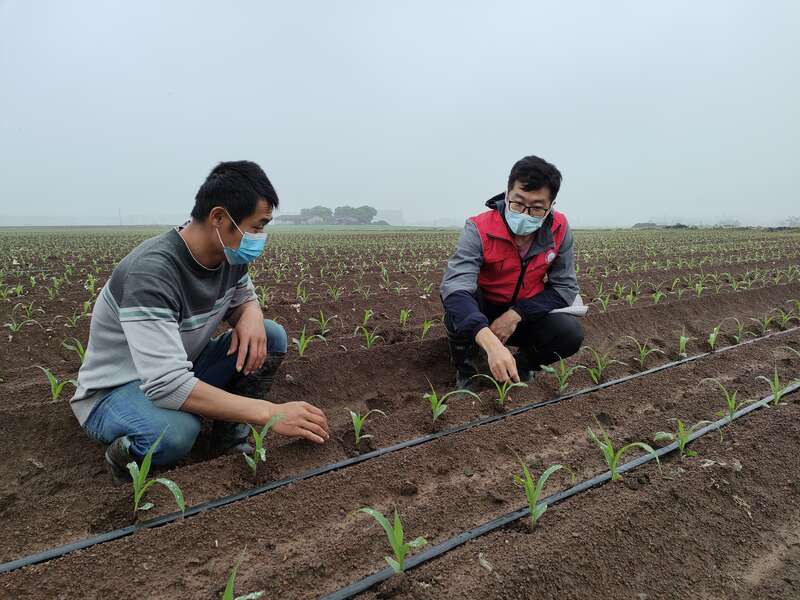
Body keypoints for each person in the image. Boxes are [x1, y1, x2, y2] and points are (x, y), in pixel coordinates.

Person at [70, 160, 329, 485]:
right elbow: (166, 384)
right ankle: (125, 456)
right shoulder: (152, 273)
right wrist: (269, 413)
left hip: (178, 367)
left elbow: (243, 298)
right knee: (178, 433)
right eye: (258, 226)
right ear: (219, 218)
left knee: (270, 335)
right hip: (115, 390)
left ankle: (228, 440)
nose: (261, 237)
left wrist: (250, 313)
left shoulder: (227, 254)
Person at [440, 155, 584, 388]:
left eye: (537, 208)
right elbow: (455, 288)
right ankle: (467, 370)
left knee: (569, 333)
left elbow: (565, 287)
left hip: (523, 313)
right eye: (518, 203)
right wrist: (490, 341)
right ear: (507, 195)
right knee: (459, 304)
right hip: (483, 310)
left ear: (550, 207)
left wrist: (516, 314)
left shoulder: (560, 229)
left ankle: (522, 366)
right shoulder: (479, 227)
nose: (525, 213)